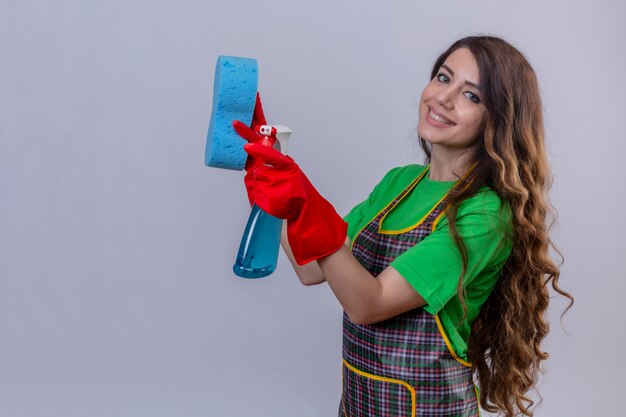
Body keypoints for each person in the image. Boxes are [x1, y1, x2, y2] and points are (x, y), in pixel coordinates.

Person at [233, 35, 572, 417]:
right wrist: (269, 178)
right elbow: (310, 267)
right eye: (443, 78)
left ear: (498, 120)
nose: (443, 98)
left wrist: (303, 201)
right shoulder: (399, 183)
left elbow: (368, 303)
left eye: (471, 95)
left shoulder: (485, 215)